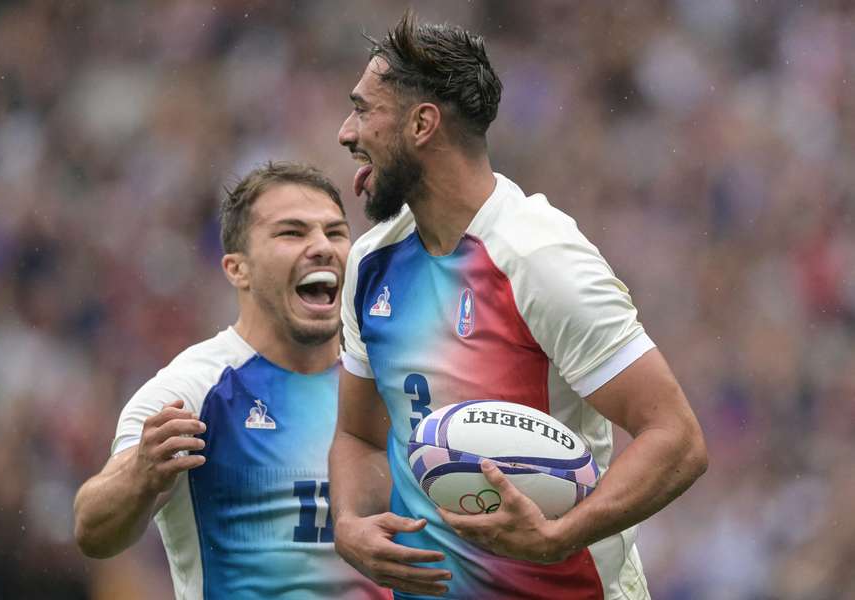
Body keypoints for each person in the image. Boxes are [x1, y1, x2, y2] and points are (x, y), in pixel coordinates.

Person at [329, 12, 708, 600]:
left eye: (363, 109)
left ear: (423, 124)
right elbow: (358, 436)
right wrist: (350, 523)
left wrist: (560, 535)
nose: (345, 132)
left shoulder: (538, 257)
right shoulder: (371, 262)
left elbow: (676, 439)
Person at [74, 162, 389, 599]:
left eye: (335, 233)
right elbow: (92, 529)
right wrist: (141, 474)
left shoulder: (385, 382)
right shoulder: (192, 393)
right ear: (236, 269)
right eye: (292, 233)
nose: (322, 246)